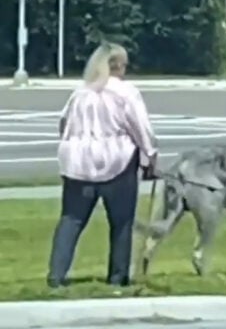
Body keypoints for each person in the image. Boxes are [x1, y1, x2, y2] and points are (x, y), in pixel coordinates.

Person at [47, 41, 158, 289]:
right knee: (121, 222)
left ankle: (56, 274)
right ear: (118, 65)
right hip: (116, 162)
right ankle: (118, 276)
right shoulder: (125, 92)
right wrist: (150, 156)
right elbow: (140, 128)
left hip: (77, 164)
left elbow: (63, 124)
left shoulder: (81, 92)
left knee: (71, 219)